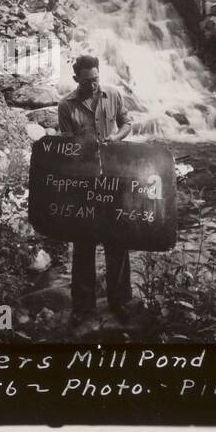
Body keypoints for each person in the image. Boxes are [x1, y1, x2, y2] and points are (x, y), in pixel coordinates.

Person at [56, 54, 137, 326]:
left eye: (96, 79)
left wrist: (116, 137)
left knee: (118, 239)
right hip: (83, 179)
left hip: (113, 176)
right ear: (76, 78)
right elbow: (66, 144)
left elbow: (127, 122)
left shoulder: (113, 94)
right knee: (83, 242)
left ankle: (120, 300)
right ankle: (83, 307)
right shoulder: (66, 106)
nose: (93, 85)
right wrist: (81, 147)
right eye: (87, 81)